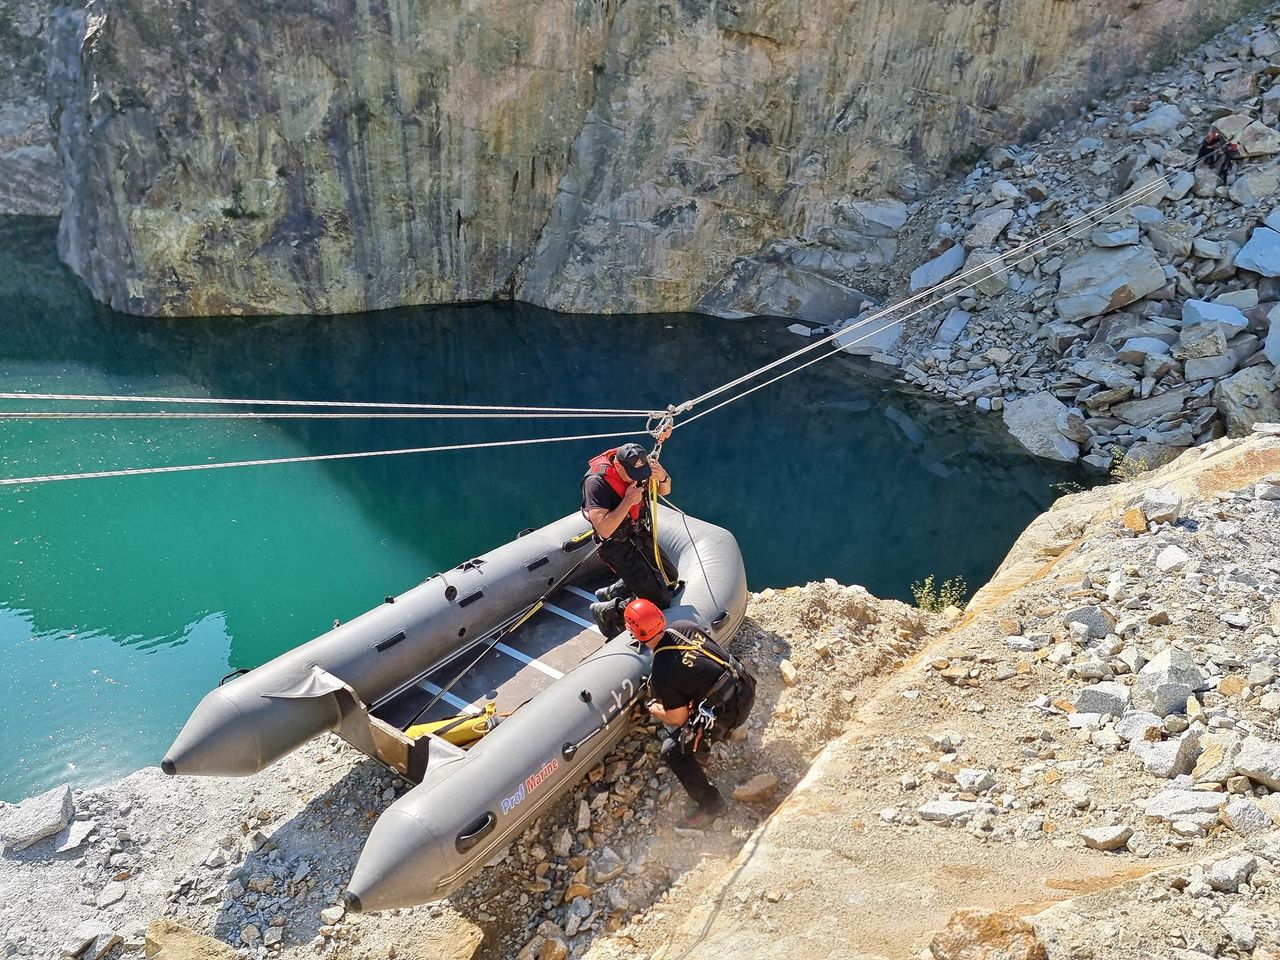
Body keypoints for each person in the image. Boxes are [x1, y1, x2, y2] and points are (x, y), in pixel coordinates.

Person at [623, 598, 757, 830]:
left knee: (673, 751)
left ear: (635, 633)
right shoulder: (684, 627)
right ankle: (711, 740)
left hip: (731, 712)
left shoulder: (662, 673)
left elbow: (678, 718)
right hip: (745, 686)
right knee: (688, 697)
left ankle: (711, 805)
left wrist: (652, 707)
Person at [581, 441, 675, 636]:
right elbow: (604, 529)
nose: (637, 479)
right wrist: (628, 501)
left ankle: (614, 590)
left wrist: (663, 477)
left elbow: (664, 491)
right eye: (632, 475)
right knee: (660, 600)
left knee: (670, 577)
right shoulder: (596, 482)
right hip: (616, 545)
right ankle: (607, 612)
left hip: (638, 532)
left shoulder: (640, 467)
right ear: (617, 465)